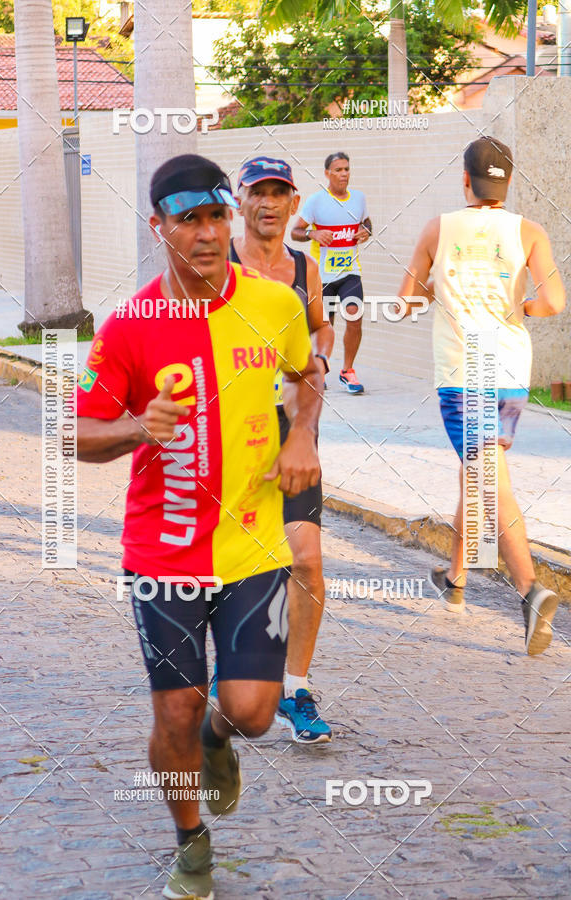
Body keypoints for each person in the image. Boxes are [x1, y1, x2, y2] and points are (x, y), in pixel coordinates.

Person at [76, 154, 323, 900]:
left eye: (218, 216)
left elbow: (306, 373)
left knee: (252, 712)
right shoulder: (128, 327)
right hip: (164, 548)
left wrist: (301, 433)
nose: (209, 234)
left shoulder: (276, 304)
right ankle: (191, 846)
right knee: (176, 708)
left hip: (251, 541)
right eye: (190, 221)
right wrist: (131, 426)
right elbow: (73, 434)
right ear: (161, 229)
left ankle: (221, 743)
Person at [397, 135, 565, 656]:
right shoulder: (529, 231)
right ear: (508, 182)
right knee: (481, 471)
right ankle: (455, 578)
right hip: (510, 371)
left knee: (489, 479)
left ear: (464, 179)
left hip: (463, 372)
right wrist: (518, 310)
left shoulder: (437, 228)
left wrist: (439, 291)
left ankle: (529, 590)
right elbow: (554, 302)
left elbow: (406, 301)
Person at [229, 156, 335, 743]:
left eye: (280, 194)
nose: (269, 203)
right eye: (258, 193)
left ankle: (296, 688)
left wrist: (317, 356)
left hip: (294, 433)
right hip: (229, 437)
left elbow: (321, 327)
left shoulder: (304, 267)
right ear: (239, 201)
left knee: (307, 562)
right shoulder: (216, 267)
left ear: (295, 205)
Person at [292, 151, 372, 394]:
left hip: (350, 272)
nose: (344, 174)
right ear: (327, 173)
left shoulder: (358, 199)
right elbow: (295, 231)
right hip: (322, 276)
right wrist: (313, 234)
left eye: (346, 169)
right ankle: (319, 369)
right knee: (324, 325)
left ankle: (347, 371)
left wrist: (366, 232)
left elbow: (367, 223)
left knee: (354, 315)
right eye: (338, 170)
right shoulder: (316, 201)